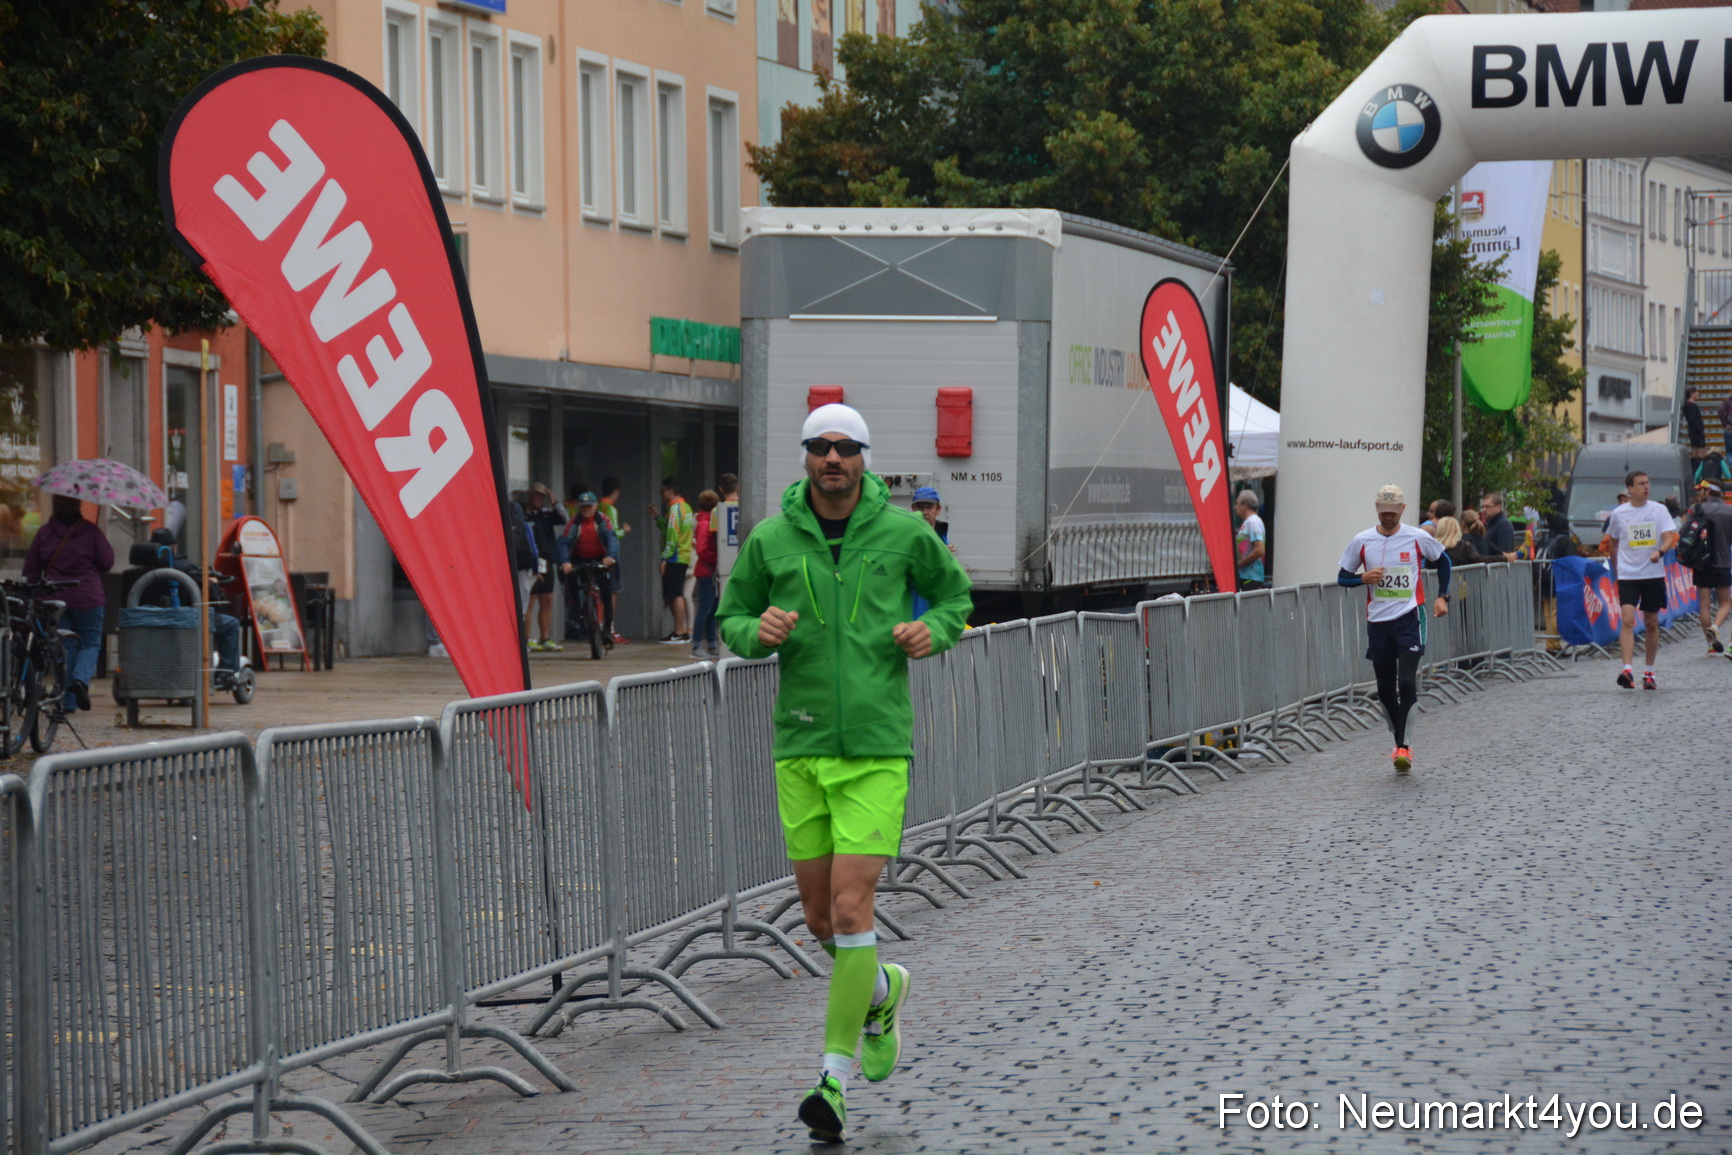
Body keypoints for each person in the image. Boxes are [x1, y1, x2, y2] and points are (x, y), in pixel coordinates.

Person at [717, 402, 972, 1144]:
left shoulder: (903, 533)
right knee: (822, 919)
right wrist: (753, 634)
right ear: (805, 457)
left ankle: (831, 1078)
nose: (833, 458)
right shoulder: (770, 539)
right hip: (798, 746)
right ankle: (883, 989)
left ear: (866, 458)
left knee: (854, 908)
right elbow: (732, 618)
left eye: (846, 447)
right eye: (821, 447)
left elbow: (956, 597)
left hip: (876, 745)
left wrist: (935, 629)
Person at [1336, 483, 1451, 773]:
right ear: (1377, 509)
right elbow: (1342, 577)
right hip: (1378, 623)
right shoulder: (1362, 540)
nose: (1388, 517)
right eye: (1383, 512)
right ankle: (1398, 739)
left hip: (1410, 618)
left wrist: (1442, 596)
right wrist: (1363, 578)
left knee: (1407, 682)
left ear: (1402, 509)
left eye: (1393, 512)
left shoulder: (1416, 537)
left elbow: (1444, 561)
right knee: (1386, 689)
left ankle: (1405, 746)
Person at [23, 494, 115, 713]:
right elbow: (107, 562)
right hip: (87, 596)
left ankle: (68, 702)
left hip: (54, 598)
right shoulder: (90, 531)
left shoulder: (44, 533)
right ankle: (80, 681)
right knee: (90, 643)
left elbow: (31, 570)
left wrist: (33, 595)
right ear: (77, 504)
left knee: (65, 647)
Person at [1602, 469, 1678, 690]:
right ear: (1630, 489)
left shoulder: (1659, 510)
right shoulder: (1619, 514)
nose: (1646, 487)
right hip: (1628, 575)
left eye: (1648, 482)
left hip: (1653, 574)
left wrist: (1660, 553)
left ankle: (1649, 672)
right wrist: (1617, 569)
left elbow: (1669, 537)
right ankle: (1627, 670)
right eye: (1641, 484)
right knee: (1627, 620)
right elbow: (1613, 541)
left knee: (1651, 623)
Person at [559, 491, 619, 644]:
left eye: (589, 506)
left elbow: (611, 537)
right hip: (579, 558)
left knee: (607, 591)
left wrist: (610, 556)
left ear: (595, 506)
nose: (586, 510)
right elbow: (564, 541)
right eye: (583, 507)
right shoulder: (574, 522)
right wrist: (565, 561)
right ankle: (576, 613)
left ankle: (607, 629)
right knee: (571, 581)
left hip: (601, 557)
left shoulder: (603, 520)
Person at [1685, 480, 1732, 654]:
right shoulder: (1729, 511)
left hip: (1701, 564)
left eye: (1703, 490)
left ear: (1709, 491)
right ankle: (1715, 625)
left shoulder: (1696, 509)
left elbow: (1685, 531)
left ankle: (1711, 645)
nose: (1700, 493)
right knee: (1725, 603)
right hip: (1723, 562)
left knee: (1704, 605)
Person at [523, 482, 567, 651]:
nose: (538, 500)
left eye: (541, 497)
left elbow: (565, 520)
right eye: (536, 496)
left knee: (547, 599)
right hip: (531, 561)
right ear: (530, 496)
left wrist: (554, 501)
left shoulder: (547, 514)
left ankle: (545, 637)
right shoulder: (524, 515)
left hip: (547, 561)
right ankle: (528, 638)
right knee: (530, 600)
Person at [650, 477, 694, 643]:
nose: (661, 494)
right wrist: (657, 518)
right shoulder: (686, 507)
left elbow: (671, 536)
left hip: (675, 557)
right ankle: (679, 631)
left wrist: (664, 558)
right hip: (683, 555)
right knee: (674, 593)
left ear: (670, 490)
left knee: (675, 594)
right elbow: (670, 528)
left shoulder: (675, 509)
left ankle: (679, 631)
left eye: (662, 491)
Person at [909, 485, 954, 618]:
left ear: (938, 509)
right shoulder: (907, 536)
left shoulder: (942, 536)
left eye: (929, 507)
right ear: (913, 509)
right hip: (914, 613)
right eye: (920, 507)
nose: (925, 512)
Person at [597, 477, 630, 644]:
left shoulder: (597, 506)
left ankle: (600, 626)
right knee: (613, 593)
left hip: (597, 554)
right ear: (615, 492)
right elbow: (612, 533)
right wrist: (623, 531)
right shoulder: (610, 508)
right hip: (612, 556)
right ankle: (609, 629)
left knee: (600, 593)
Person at [690, 489, 721, 660]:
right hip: (707, 570)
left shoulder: (705, 521)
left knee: (711, 608)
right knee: (706, 608)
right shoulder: (705, 523)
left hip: (708, 570)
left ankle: (711, 643)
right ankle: (697, 644)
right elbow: (702, 549)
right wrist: (717, 558)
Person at [1233, 490, 1266, 590]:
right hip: (1246, 576)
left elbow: (1259, 550)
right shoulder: (1248, 522)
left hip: (1251, 577)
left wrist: (1239, 565)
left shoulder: (1253, 522)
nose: (1235, 507)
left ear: (1244, 504)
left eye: (1237, 503)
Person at [1476, 491, 1518, 561]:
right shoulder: (1489, 523)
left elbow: (1505, 551)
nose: (1484, 510)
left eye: (1488, 506)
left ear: (1498, 507)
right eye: (1483, 507)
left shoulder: (1504, 524)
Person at [1683, 387, 1708, 465]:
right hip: (1697, 433)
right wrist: (1701, 430)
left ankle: (1694, 469)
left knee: (1694, 450)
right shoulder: (1692, 406)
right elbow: (1693, 420)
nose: (1698, 394)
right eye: (1696, 392)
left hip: (1692, 432)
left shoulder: (1686, 405)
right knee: (1700, 452)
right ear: (1692, 394)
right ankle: (1698, 469)